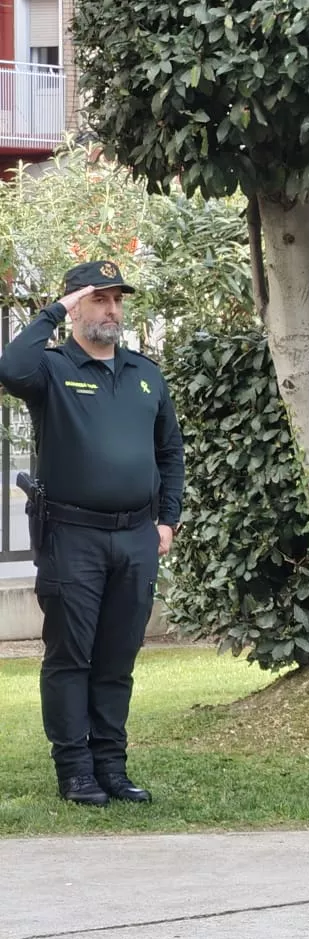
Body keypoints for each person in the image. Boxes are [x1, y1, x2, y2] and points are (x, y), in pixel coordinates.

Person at [0, 260, 183, 806]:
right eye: (97, 299)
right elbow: (10, 367)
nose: (110, 309)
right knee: (71, 655)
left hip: (135, 538)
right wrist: (55, 310)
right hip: (71, 536)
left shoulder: (146, 373)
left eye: (116, 300)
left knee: (117, 657)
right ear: (77, 306)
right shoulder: (52, 370)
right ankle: (74, 770)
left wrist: (167, 519)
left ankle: (112, 766)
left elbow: (169, 452)